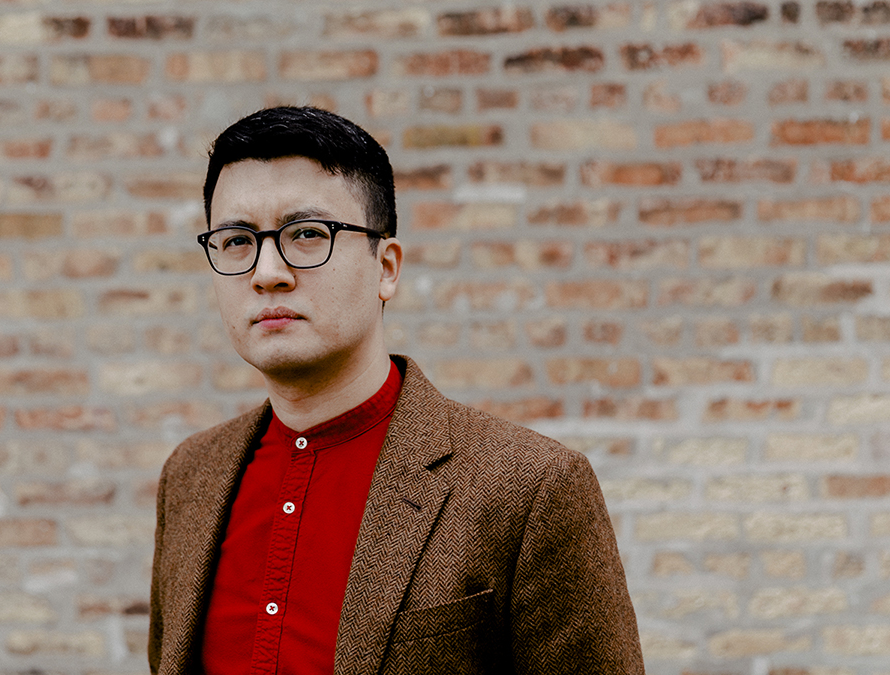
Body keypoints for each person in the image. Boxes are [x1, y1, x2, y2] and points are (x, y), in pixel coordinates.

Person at [148, 106, 644, 675]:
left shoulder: (529, 488)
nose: (267, 271)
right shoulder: (190, 476)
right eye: (236, 240)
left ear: (386, 266)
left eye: (307, 234)